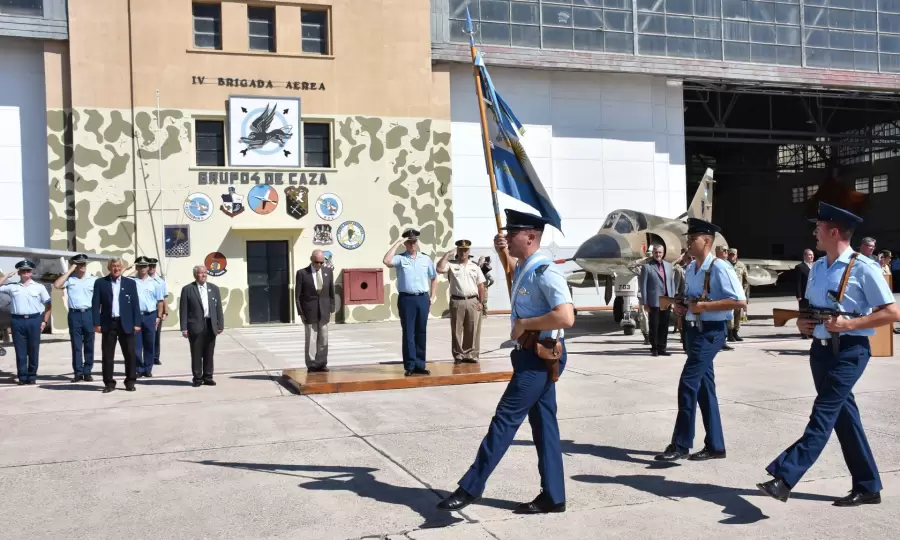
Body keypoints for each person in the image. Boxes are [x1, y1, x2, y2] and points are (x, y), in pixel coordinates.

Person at [758, 201, 900, 507]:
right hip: (819, 352)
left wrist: (849, 323)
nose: (814, 232)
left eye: (818, 227)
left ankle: (784, 478)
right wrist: (802, 322)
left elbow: (892, 312)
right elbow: (810, 309)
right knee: (844, 418)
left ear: (834, 231)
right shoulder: (818, 267)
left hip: (849, 352)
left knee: (822, 414)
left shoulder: (864, 268)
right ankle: (868, 485)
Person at [436, 209, 575, 515]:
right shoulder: (526, 267)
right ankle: (553, 495)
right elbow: (514, 272)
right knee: (544, 425)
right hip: (530, 355)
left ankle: (471, 487)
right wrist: (503, 252)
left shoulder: (546, 271)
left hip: (539, 357)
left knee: (505, 418)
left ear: (530, 236)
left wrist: (525, 324)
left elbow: (566, 316)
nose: (507, 237)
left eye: (512, 234)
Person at [654, 218, 746, 462]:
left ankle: (680, 444)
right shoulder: (692, 268)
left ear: (706, 241)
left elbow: (739, 300)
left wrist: (704, 306)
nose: (688, 242)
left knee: (688, 383)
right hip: (694, 331)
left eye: (692, 238)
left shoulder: (719, 267)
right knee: (705, 389)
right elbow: (694, 300)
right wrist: (684, 308)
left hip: (711, 332)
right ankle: (716, 445)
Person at [382, 228, 438, 376]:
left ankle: (420, 364)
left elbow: (434, 277)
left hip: (422, 298)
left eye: (414, 242)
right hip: (407, 299)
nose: (412, 244)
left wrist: (432, 297)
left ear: (417, 242)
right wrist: (397, 243)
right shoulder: (401, 258)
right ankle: (410, 365)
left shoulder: (425, 259)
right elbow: (386, 261)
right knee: (408, 333)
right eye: (409, 242)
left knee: (421, 332)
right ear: (406, 244)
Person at [92, 258, 141, 393]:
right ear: (109, 267)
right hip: (108, 323)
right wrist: (96, 323)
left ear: (122, 267)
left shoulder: (130, 283)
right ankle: (109, 383)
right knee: (107, 355)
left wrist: (137, 323)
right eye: (114, 266)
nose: (116, 268)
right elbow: (95, 305)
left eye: (119, 266)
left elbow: (135, 305)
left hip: (126, 323)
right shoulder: (100, 283)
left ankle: (130, 382)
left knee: (130, 354)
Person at [0, 260, 51, 385]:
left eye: (28, 270)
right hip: (17, 321)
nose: (26, 272)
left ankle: (32, 375)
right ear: (19, 272)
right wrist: (6, 276)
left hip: (34, 320)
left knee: (33, 350)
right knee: (20, 350)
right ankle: (22, 376)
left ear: (31, 272)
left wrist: (44, 321)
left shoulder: (39, 287)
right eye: (23, 271)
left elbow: (48, 304)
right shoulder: (12, 287)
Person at [437, 239, 486, 363]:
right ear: (457, 251)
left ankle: (469, 354)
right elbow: (439, 268)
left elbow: (481, 286)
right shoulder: (451, 264)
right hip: (457, 301)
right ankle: (458, 355)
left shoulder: (474, 266)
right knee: (457, 329)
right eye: (461, 250)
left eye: (466, 250)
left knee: (472, 329)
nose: (464, 252)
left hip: (472, 301)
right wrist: (447, 254)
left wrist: (481, 302)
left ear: (469, 251)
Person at [52, 254, 98, 382]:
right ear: (75, 265)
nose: (82, 266)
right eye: (79, 264)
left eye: (84, 264)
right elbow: (57, 284)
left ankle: (87, 371)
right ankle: (78, 372)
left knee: (89, 344)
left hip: (88, 313)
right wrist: (70, 270)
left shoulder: (93, 279)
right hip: (74, 314)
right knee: (76, 345)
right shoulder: (69, 279)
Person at [180, 265, 224, 387]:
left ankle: (208, 376)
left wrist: (220, 324)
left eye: (205, 272)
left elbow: (218, 308)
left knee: (209, 353)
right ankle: (197, 378)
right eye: (200, 273)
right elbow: (183, 310)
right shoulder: (188, 289)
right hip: (195, 325)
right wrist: (184, 328)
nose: (203, 275)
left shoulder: (214, 289)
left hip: (210, 324)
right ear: (195, 275)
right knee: (196, 353)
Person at [295, 249, 335, 372]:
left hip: (324, 310)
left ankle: (321, 363)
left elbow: (331, 292)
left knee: (324, 338)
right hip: (309, 311)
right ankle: (311, 364)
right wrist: (301, 312)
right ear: (311, 259)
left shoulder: (328, 272)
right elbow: (297, 295)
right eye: (317, 262)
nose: (319, 265)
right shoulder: (302, 273)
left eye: (321, 262)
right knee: (311, 339)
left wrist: (332, 308)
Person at [129, 256, 164, 377]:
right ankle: (139, 368)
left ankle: (148, 369)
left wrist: (158, 316)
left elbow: (160, 301)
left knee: (150, 343)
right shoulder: (132, 282)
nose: (143, 268)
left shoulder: (155, 283)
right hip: (137, 316)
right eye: (140, 266)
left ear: (148, 267)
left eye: (145, 266)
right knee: (136, 345)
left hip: (150, 315)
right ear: (137, 267)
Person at [639, 244, 675, 357]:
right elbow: (643, 285)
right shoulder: (647, 267)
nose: (658, 254)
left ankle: (662, 348)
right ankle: (654, 348)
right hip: (654, 300)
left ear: (663, 253)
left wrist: (672, 299)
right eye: (656, 252)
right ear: (653, 253)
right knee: (654, 325)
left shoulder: (669, 266)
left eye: (660, 252)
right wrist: (645, 302)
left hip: (666, 299)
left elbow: (672, 283)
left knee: (664, 325)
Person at [148, 258, 168, 366]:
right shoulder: (142, 280)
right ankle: (146, 356)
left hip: (157, 310)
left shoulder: (160, 282)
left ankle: (155, 357)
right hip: (146, 310)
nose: (151, 268)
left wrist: (165, 312)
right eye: (149, 266)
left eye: (153, 266)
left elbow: (164, 297)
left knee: (156, 335)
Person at [727, 248, 749, 341]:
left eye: (733, 255)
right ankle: (730, 333)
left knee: (738, 314)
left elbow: (746, 280)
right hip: (729, 293)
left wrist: (744, 292)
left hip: (739, 294)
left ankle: (736, 332)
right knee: (730, 314)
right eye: (730, 254)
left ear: (736, 255)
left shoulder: (741, 265)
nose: (732, 256)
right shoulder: (725, 265)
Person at [795, 249, 815, 339]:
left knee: (812, 314)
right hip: (804, 295)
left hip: (813, 295)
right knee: (804, 314)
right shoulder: (800, 267)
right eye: (810, 255)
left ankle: (811, 331)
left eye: (812, 255)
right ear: (805, 256)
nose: (811, 257)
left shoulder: (814, 267)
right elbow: (798, 282)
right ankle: (804, 333)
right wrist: (798, 295)